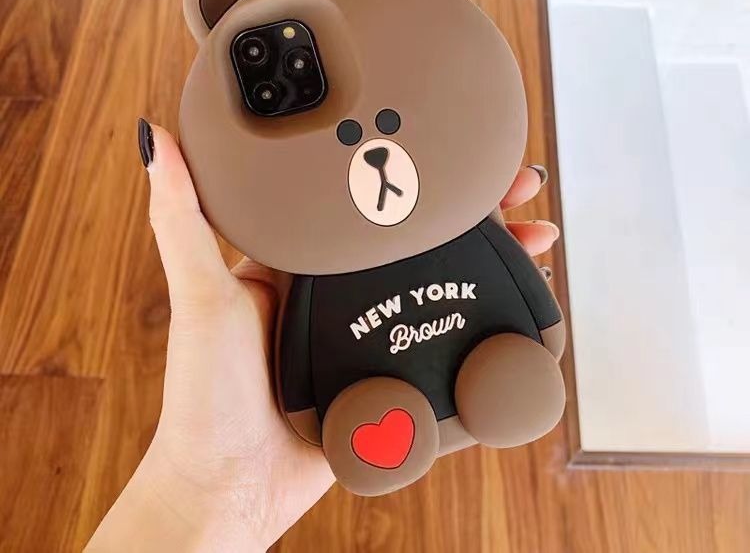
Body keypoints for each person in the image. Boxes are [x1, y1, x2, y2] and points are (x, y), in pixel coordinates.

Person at [85, 120, 559, 552]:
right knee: (369, 412)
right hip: (362, 382)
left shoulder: (457, 211)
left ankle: (501, 383)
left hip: (482, 326)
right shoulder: (310, 262)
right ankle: (384, 419)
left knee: (501, 375)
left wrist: (200, 499)